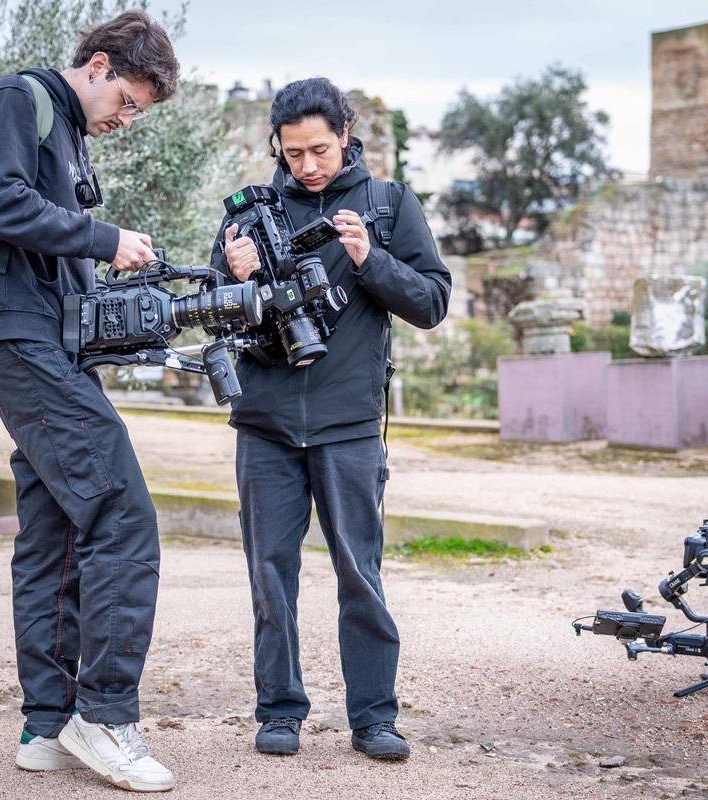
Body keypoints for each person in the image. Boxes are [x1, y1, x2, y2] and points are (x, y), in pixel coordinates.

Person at [0, 10, 179, 792]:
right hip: (21, 342)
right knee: (122, 512)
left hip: (49, 345)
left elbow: (42, 239)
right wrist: (102, 236)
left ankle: (48, 728)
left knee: (54, 530)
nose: (126, 120)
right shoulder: (16, 101)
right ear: (96, 64)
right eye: (126, 101)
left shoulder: (66, 134)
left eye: (138, 114)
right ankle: (107, 716)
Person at [210, 77, 452, 761]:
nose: (308, 166)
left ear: (345, 133)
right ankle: (279, 710)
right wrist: (235, 276)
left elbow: (432, 302)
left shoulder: (387, 204)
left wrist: (368, 260)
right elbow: (213, 310)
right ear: (277, 151)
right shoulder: (247, 216)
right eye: (293, 155)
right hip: (265, 423)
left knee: (360, 573)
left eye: (319, 149)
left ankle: (374, 719)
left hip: (349, 424)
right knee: (270, 573)